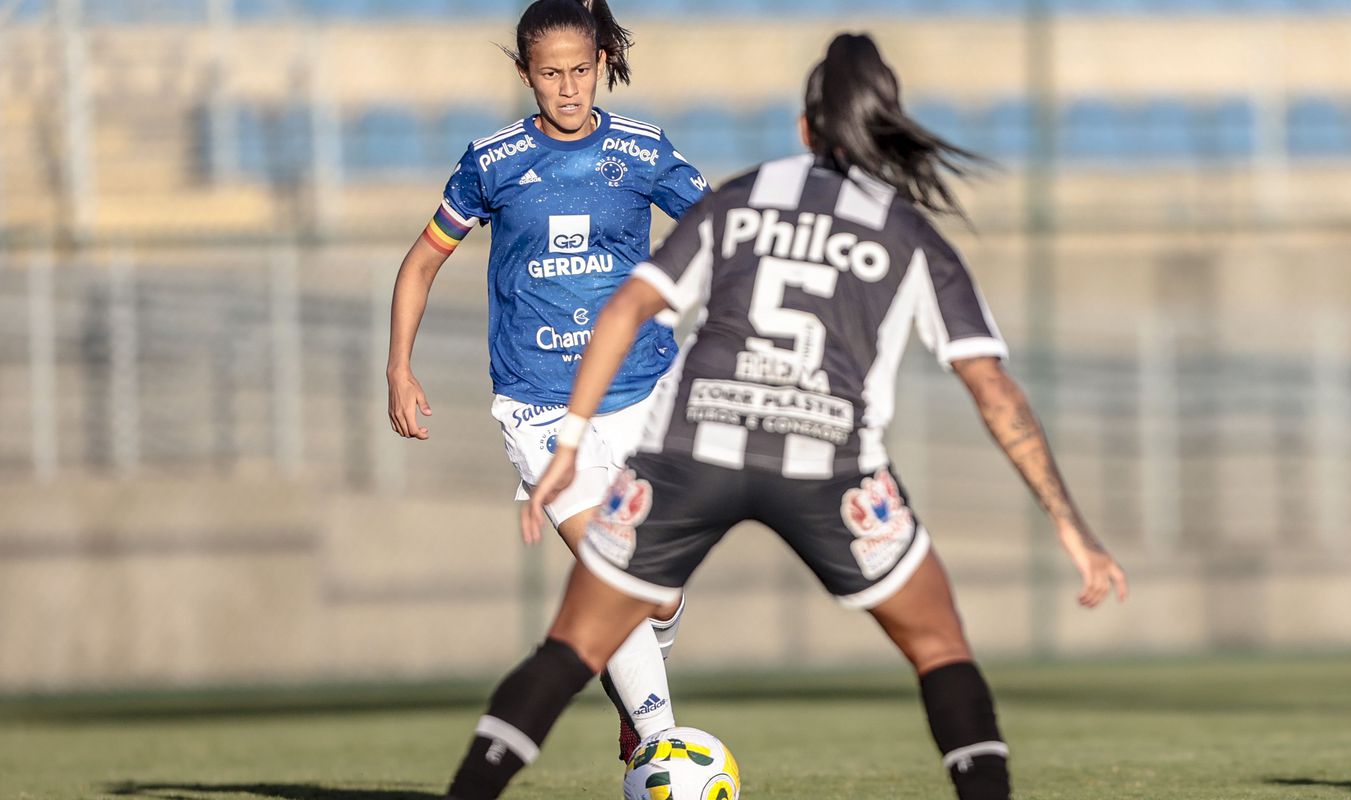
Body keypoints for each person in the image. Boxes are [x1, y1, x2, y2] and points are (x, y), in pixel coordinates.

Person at [441, 32, 1128, 800]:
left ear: (803, 129)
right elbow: (994, 390)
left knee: (570, 648)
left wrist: (569, 442)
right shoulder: (908, 232)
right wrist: (1070, 524)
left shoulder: (739, 200)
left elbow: (628, 303)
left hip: (695, 447)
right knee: (940, 647)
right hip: (829, 462)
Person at [385, 0, 706, 766]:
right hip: (537, 405)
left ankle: (635, 692)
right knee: (611, 572)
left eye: (580, 71)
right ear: (524, 73)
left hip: (644, 394)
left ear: (602, 64)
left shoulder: (642, 150)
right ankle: (660, 745)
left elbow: (720, 225)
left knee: (659, 592)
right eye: (550, 74)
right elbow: (421, 262)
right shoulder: (492, 163)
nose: (567, 88)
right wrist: (399, 366)